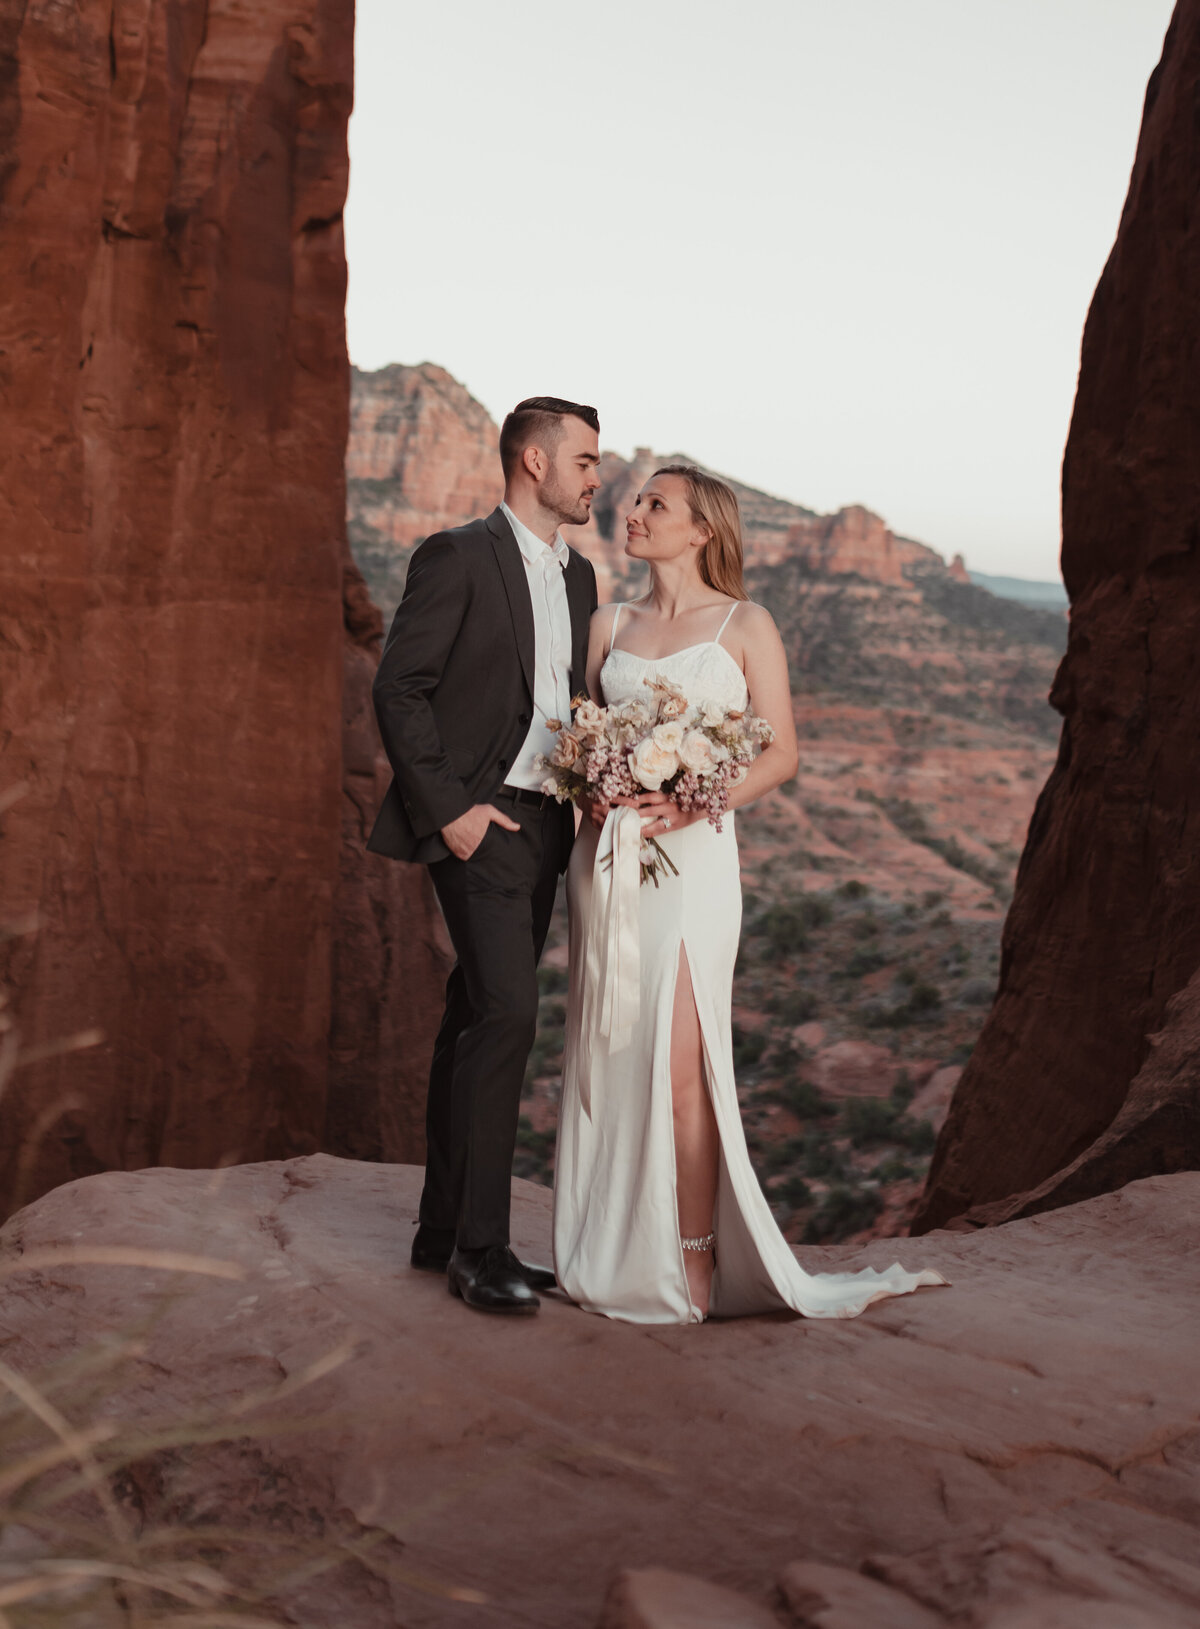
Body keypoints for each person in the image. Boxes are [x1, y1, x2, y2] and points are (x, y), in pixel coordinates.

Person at [553, 465, 948, 1323]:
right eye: (637, 499)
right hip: (609, 864)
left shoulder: (746, 623)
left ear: (701, 531)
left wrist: (696, 796)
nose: (635, 510)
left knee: (684, 1068)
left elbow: (781, 754)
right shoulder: (606, 623)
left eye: (657, 504)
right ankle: (603, 1250)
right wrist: (593, 789)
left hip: (695, 873)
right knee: (608, 1050)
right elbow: (583, 736)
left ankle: (695, 1265)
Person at [368, 396, 601, 1316]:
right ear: (534, 464)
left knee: (473, 1010)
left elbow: (564, 704)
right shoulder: (458, 554)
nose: (597, 476)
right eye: (585, 459)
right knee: (508, 1012)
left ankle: (438, 1230)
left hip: (547, 826)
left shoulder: (580, 578)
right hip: (480, 820)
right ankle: (481, 1249)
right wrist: (452, 811)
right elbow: (400, 687)